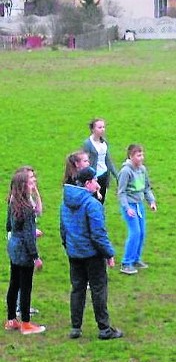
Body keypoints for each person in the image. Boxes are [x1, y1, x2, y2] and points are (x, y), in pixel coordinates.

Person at [61, 166, 123, 339]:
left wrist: (69, 247)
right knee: (98, 289)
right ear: (88, 183)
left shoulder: (66, 202)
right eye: (95, 181)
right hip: (92, 255)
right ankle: (104, 329)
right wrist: (109, 253)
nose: (97, 183)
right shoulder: (92, 204)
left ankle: (75, 328)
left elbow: (63, 230)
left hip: (74, 253)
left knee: (77, 289)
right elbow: (98, 234)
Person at [4, 168, 45, 335]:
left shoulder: (13, 201)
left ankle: (11, 320)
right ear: (23, 186)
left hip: (13, 247)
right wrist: (36, 257)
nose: (32, 184)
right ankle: (26, 324)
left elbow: (10, 225)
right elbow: (29, 236)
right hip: (24, 251)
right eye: (30, 182)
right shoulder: (27, 208)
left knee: (14, 284)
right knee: (25, 286)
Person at [117, 144, 157, 275]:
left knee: (142, 233)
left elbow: (146, 188)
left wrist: (151, 201)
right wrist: (127, 208)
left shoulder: (142, 170)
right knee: (134, 232)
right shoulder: (125, 171)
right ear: (131, 156)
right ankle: (126, 263)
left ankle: (135, 259)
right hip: (130, 206)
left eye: (142, 155)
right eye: (138, 155)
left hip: (139, 205)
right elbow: (121, 192)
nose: (141, 158)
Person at [83, 118, 119, 204]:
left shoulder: (104, 142)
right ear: (93, 129)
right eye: (99, 127)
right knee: (93, 201)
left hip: (104, 174)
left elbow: (108, 160)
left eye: (103, 127)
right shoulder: (88, 143)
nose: (102, 129)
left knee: (101, 201)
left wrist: (116, 175)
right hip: (94, 177)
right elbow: (85, 161)